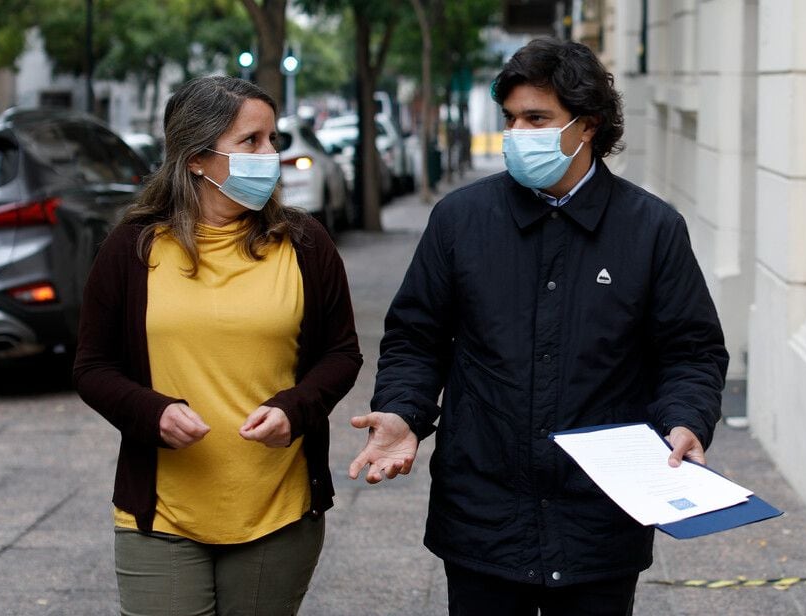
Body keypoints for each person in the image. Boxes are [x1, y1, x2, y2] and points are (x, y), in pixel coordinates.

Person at [349, 38, 729, 616]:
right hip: (483, 520)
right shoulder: (460, 220)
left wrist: (685, 421)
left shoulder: (651, 229)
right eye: (510, 119)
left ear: (587, 127)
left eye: (536, 118)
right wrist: (403, 412)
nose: (516, 133)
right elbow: (415, 338)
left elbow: (692, 352)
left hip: (601, 521)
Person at [74, 76, 362, 615]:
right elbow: (92, 365)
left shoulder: (305, 244)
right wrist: (150, 411)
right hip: (161, 514)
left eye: (272, 139)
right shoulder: (132, 248)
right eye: (250, 141)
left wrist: (293, 410)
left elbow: (342, 354)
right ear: (195, 158)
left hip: (278, 511)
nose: (270, 154)